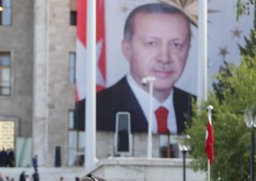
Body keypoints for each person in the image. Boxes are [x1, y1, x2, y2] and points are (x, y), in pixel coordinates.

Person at [75, 3, 194, 133]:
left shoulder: (200, 110)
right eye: (152, 43)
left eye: (176, 45)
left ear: (188, 50)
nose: (164, 58)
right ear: (127, 49)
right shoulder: (92, 111)